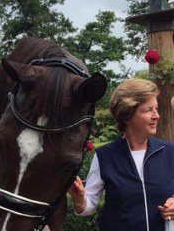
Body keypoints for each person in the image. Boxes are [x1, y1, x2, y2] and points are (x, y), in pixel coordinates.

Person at [69, 78, 174, 231]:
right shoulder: (105, 156)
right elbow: (89, 205)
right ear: (127, 116)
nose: (156, 115)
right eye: (148, 110)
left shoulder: (170, 151)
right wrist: (79, 199)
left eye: (156, 109)